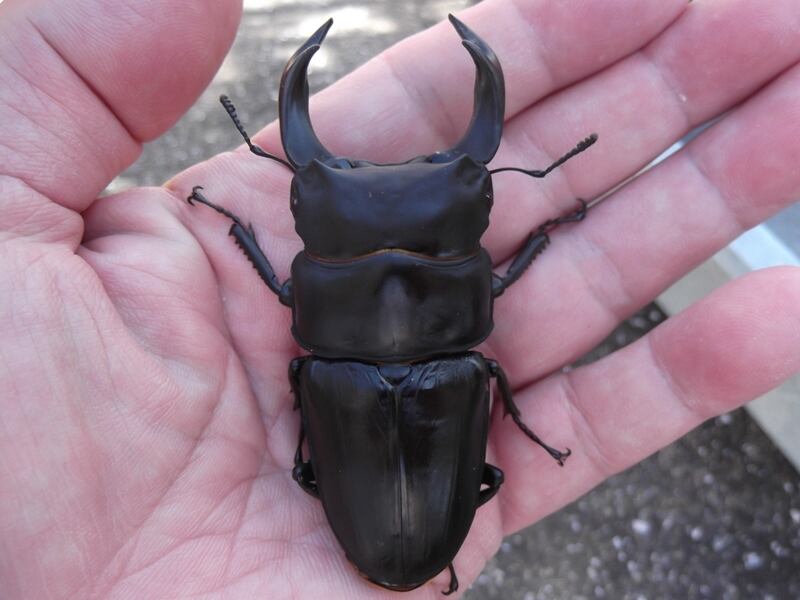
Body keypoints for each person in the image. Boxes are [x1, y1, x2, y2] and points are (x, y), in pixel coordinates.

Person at [1, 0, 798, 597]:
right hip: (394, 463)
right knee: (472, 388)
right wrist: (546, 234)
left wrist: (235, 224)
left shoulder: (320, 364)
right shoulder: (460, 364)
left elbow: (282, 291)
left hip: (368, 457)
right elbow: (494, 288)